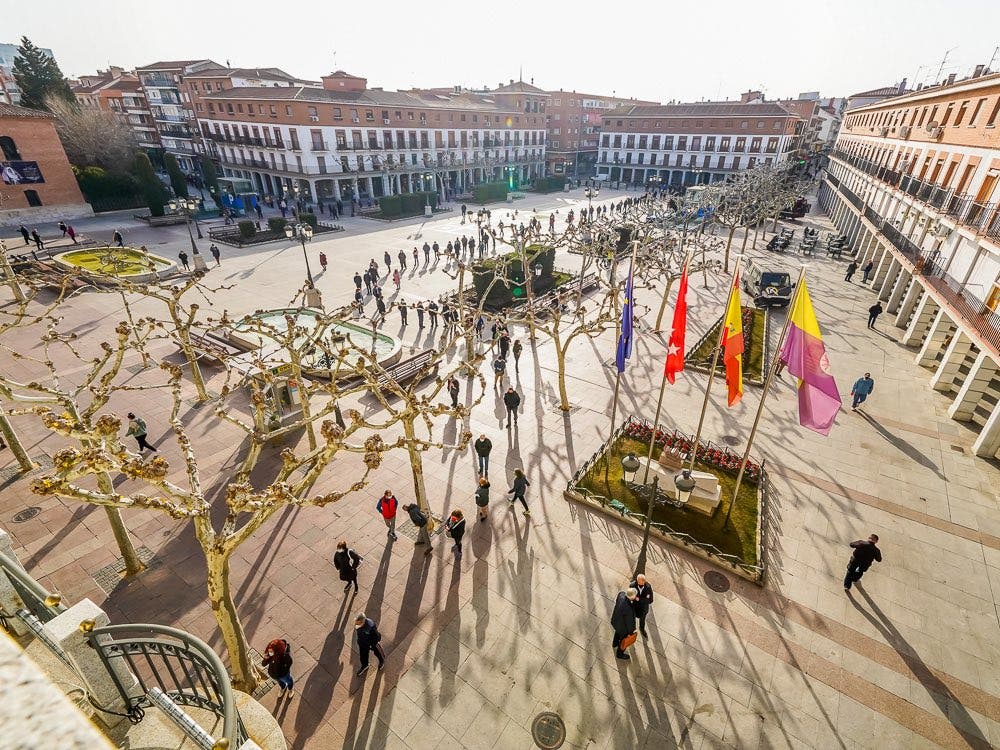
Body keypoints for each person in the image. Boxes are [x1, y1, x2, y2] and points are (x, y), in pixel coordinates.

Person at [611, 588, 639, 660]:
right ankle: (620, 653)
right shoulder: (629, 609)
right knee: (624, 641)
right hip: (623, 628)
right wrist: (630, 632)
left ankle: (615, 643)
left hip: (616, 621)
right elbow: (629, 623)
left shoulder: (621, 595)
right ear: (632, 597)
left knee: (617, 632)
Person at [629, 574, 654, 639]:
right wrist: (644, 599)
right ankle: (631, 630)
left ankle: (642, 629)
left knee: (642, 621)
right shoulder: (632, 585)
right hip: (634, 608)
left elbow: (650, 600)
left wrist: (639, 599)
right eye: (640, 583)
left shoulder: (648, 587)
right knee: (631, 619)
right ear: (637, 581)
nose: (642, 584)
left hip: (643, 609)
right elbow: (629, 596)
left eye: (644, 583)